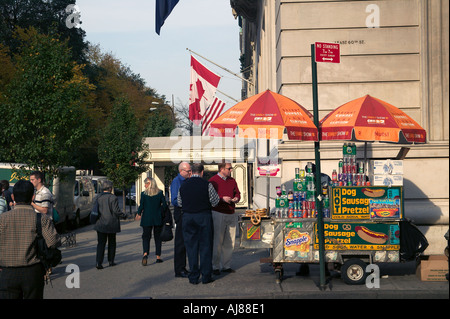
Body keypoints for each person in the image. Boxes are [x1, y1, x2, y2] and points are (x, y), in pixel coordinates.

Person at [0, 180, 60, 299]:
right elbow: (53, 242)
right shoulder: (41, 219)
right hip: (33, 272)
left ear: (13, 197)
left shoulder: (2, 219)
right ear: (32, 197)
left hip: (7, 272)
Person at [177, 163, 219, 285]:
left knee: (191, 247)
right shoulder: (207, 185)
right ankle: (206, 276)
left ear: (191, 172)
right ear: (202, 172)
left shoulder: (183, 185)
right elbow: (215, 201)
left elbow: (179, 202)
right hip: (203, 216)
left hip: (188, 217)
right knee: (205, 246)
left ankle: (194, 276)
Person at [209, 162, 241, 275]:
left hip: (231, 212)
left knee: (230, 241)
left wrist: (237, 197)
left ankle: (226, 265)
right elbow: (209, 197)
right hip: (218, 212)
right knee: (217, 240)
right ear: (222, 169)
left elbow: (237, 192)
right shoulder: (213, 181)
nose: (231, 170)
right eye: (229, 168)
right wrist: (222, 199)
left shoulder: (232, 181)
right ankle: (215, 266)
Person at [135, 177, 168, 265]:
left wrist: (138, 213)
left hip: (146, 218)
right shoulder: (160, 193)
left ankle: (145, 254)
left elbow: (141, 205)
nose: (145, 185)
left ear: (150, 184)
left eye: (146, 183)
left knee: (146, 237)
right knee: (157, 238)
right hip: (157, 218)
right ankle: (158, 256)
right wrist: (160, 211)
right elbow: (165, 205)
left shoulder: (144, 194)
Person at [93, 180, 124, 269]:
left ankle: (98, 262)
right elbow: (116, 211)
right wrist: (124, 215)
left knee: (101, 244)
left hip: (100, 223)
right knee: (112, 243)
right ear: (110, 188)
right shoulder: (113, 198)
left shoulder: (98, 197)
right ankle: (111, 261)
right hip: (111, 223)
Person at [170, 162, 191, 278]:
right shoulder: (176, 182)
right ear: (181, 171)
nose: (190, 173)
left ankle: (183, 267)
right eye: (188, 171)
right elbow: (174, 200)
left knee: (187, 241)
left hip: (187, 212)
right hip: (181, 212)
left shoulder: (187, 181)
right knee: (180, 242)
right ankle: (179, 269)